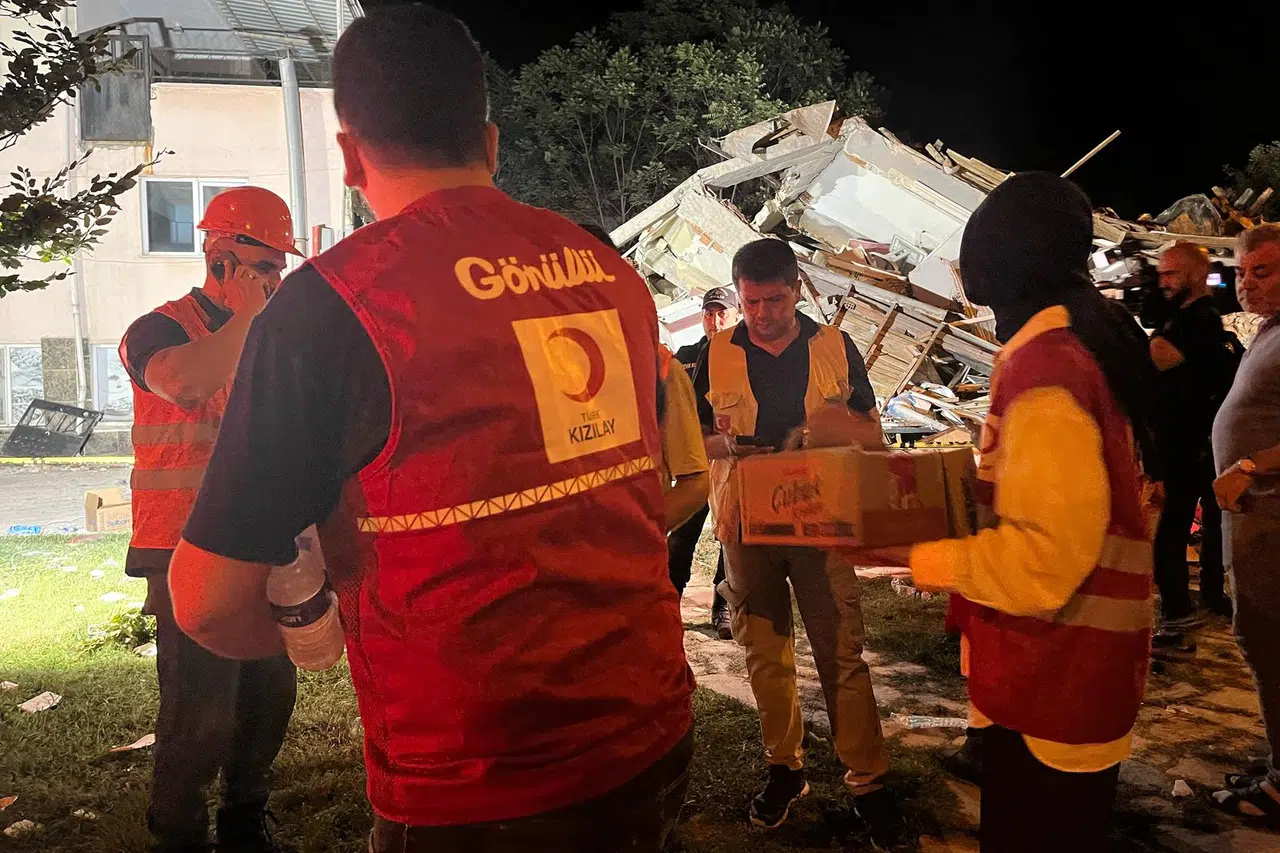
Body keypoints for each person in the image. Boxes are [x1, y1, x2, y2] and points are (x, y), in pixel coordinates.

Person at [166, 7, 694, 853]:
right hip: (651, 732)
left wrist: (315, 637)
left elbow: (204, 601)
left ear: (348, 158)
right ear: (490, 143)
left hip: (475, 781)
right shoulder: (607, 272)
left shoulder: (333, 306)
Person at [864, 174, 1156, 852]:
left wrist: (914, 555)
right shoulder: (1089, 343)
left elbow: (1042, 562)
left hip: (1055, 677)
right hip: (1074, 674)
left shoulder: (1045, 369)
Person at [119, 185, 299, 853]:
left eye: (280, 268)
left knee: (270, 694)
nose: (275, 282)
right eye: (264, 266)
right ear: (220, 257)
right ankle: (179, 831)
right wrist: (249, 321)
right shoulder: (157, 329)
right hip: (183, 545)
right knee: (203, 707)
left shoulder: (273, 335)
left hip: (264, 541)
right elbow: (188, 384)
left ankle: (245, 822)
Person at [693, 238, 887, 829]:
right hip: (746, 526)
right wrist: (728, 446)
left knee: (841, 650)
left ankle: (868, 781)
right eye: (750, 303)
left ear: (798, 290)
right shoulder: (713, 353)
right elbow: (692, 440)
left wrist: (823, 432)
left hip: (821, 523)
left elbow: (871, 431)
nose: (762, 315)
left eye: (774, 300)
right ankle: (784, 767)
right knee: (765, 650)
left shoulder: (835, 347)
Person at [1210, 223, 1280, 825]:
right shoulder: (1269, 332)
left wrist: (1251, 465)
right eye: (1240, 273)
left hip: (1274, 518)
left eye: (1263, 272)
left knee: (1270, 640)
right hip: (1254, 516)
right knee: (1258, 638)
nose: (1247, 285)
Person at [1149, 242, 1235, 661]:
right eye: (1161, 274)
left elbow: (1157, 360)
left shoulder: (1196, 321)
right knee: (1208, 525)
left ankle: (1178, 620)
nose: (1163, 282)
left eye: (1172, 274)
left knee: (1170, 532)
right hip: (1198, 442)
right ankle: (1213, 597)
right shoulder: (1192, 317)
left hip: (1188, 446)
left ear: (1197, 275)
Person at [668, 287, 738, 636]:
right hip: (694, 459)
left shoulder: (745, 355)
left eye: (722, 312)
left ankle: (722, 607)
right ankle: (668, 601)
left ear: (736, 315)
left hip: (731, 458)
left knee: (729, 536)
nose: (715, 320)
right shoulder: (685, 356)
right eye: (709, 313)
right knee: (682, 535)